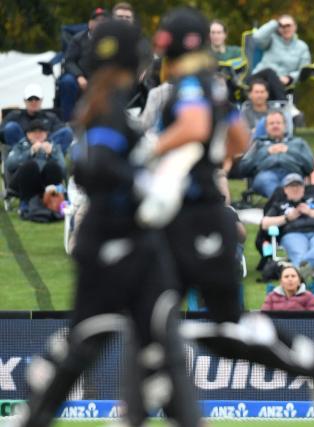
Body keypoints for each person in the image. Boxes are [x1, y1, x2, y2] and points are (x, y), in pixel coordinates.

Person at [150, 7, 314, 416]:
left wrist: (149, 153)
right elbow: (238, 140)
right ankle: (152, 398)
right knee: (165, 317)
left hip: (194, 217)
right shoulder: (212, 83)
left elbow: (192, 126)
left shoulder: (191, 83)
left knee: (214, 324)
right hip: (191, 218)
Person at [16, 20, 201, 427]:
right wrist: (146, 182)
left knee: (156, 342)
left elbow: (91, 167)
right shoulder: (108, 109)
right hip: (115, 243)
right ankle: (38, 407)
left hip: (126, 241)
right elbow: (96, 168)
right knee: (93, 342)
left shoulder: (99, 103)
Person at [261, 173, 314, 274]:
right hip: (293, 234)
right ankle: (311, 272)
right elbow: (265, 223)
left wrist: (310, 212)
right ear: (285, 190)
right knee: (299, 253)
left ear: (303, 188)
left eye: (298, 186)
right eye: (291, 186)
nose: (295, 189)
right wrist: (287, 218)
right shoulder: (280, 205)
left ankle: (298, 273)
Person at [238, 110, 314, 198]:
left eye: (278, 123)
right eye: (271, 123)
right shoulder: (258, 144)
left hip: (291, 173)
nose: (275, 126)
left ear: (285, 125)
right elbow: (243, 168)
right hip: (265, 174)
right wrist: (266, 152)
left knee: (292, 182)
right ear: (266, 127)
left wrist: (289, 151)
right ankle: (282, 203)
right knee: (267, 180)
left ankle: (280, 204)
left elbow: (310, 166)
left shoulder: (298, 142)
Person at [58, 7, 109, 121]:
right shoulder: (78, 39)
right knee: (67, 82)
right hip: (80, 79)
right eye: (97, 21)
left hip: (101, 79)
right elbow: (69, 61)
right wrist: (79, 76)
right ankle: (69, 122)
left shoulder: (110, 42)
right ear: (90, 23)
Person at [4, 119, 66, 209]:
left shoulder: (53, 147)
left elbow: (63, 170)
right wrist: (30, 152)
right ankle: (25, 204)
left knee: (52, 166)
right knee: (31, 166)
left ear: (46, 134)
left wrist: (51, 154)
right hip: (23, 183)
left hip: (46, 184)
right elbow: (10, 164)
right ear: (28, 134)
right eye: (34, 132)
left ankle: (53, 203)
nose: (38, 135)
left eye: (41, 132)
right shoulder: (20, 146)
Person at [250, 15, 311, 100]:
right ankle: (283, 102)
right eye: (282, 26)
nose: (285, 29)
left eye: (288, 25)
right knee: (270, 72)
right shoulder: (271, 40)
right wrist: (275, 23)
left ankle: (280, 106)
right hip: (260, 78)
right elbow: (257, 37)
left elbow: (304, 70)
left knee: (274, 81)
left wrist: (290, 78)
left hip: (281, 83)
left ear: (295, 27)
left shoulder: (302, 47)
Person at [0, 83, 74, 153]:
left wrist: (43, 141)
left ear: (41, 100)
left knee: (67, 132)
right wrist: (27, 140)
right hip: (22, 154)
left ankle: (49, 156)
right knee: (11, 127)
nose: (33, 102)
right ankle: (27, 155)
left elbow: (62, 133)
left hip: (47, 152)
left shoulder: (51, 117)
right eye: (30, 99)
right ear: (24, 101)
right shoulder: (15, 116)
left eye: (36, 99)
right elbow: (2, 132)